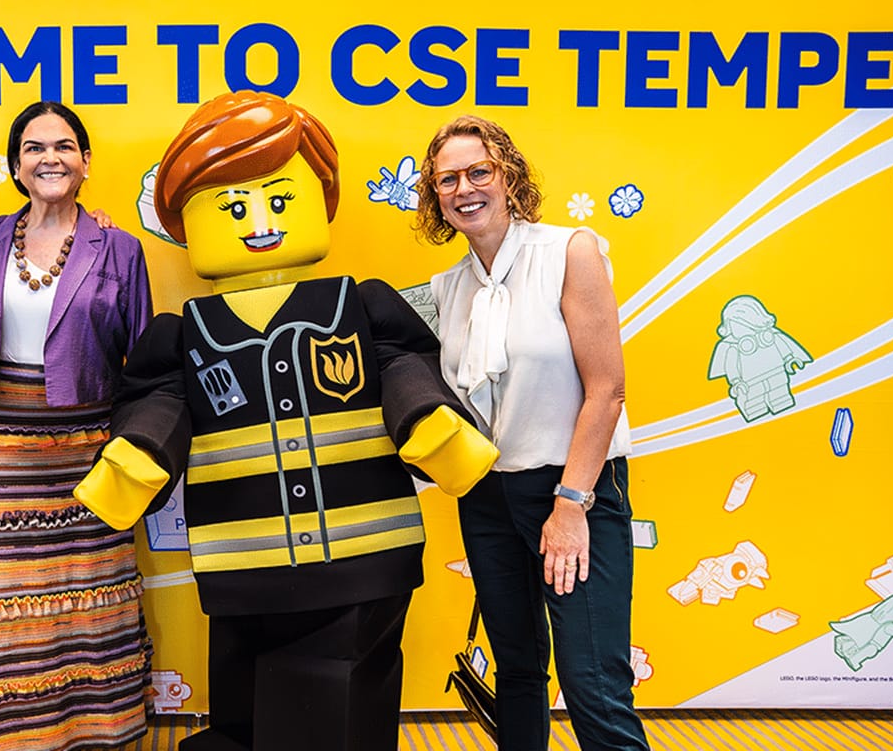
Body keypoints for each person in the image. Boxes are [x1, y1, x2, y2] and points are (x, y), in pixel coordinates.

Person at [73, 90, 497, 751]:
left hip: (361, 559)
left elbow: (404, 368)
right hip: (243, 568)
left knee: (336, 699)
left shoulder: (360, 308)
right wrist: (138, 456)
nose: (259, 222)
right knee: (244, 705)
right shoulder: (185, 335)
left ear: (318, 201)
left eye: (279, 199)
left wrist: (429, 421)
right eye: (232, 207)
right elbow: (159, 405)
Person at [416, 114, 650, 750]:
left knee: (593, 682)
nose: (464, 189)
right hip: (488, 497)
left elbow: (607, 391)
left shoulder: (569, 251)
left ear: (509, 176)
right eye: (447, 180)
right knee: (517, 672)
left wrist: (570, 505)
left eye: (479, 171)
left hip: (573, 488)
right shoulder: (446, 288)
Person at [0, 101, 155, 751]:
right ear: (16, 166)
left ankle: (100, 733)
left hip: (90, 448)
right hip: (3, 448)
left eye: (64, 146)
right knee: (7, 600)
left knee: (91, 594)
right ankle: (18, 737)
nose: (50, 158)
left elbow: (144, 361)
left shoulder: (120, 247)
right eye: (34, 148)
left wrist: (138, 450)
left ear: (86, 161)